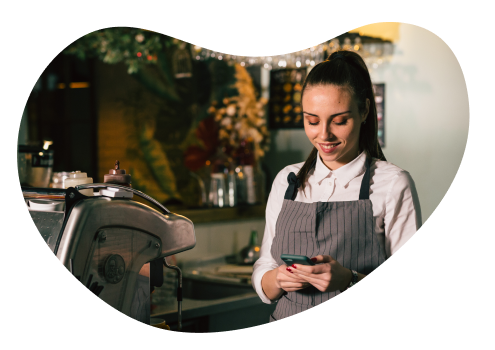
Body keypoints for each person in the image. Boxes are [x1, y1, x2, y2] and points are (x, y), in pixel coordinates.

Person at [252, 50, 422, 322]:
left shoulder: (392, 183)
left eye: (340, 120)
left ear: (365, 110)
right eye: (312, 120)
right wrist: (277, 279)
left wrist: (349, 279)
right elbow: (266, 264)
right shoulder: (288, 180)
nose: (324, 135)